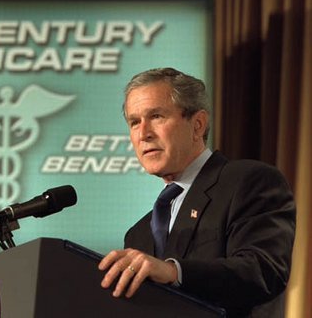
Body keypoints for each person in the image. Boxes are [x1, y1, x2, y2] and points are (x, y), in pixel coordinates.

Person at [98, 67, 296, 317]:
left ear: (198, 124)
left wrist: (174, 272)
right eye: (134, 122)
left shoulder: (248, 181)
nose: (143, 133)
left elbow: (263, 271)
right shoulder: (138, 235)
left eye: (156, 116)